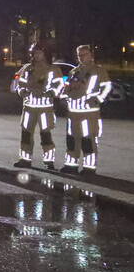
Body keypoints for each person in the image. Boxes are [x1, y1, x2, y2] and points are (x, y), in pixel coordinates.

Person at [60, 44, 112, 176]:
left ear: (91, 55)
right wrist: (65, 97)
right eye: (79, 55)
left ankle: (89, 168)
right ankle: (71, 165)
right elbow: (65, 89)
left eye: (84, 54)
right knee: (72, 139)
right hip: (73, 112)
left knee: (88, 140)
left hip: (89, 113)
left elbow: (107, 87)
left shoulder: (99, 71)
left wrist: (97, 99)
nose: (82, 57)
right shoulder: (74, 72)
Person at [13, 43, 64, 169]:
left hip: (45, 108)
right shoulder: (28, 68)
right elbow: (19, 84)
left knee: (45, 134)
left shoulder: (53, 69)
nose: (36, 55)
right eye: (35, 53)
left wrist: (49, 93)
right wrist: (22, 92)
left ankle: (49, 160)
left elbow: (59, 85)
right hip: (29, 107)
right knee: (26, 134)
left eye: (39, 53)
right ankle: (25, 159)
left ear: (45, 54)